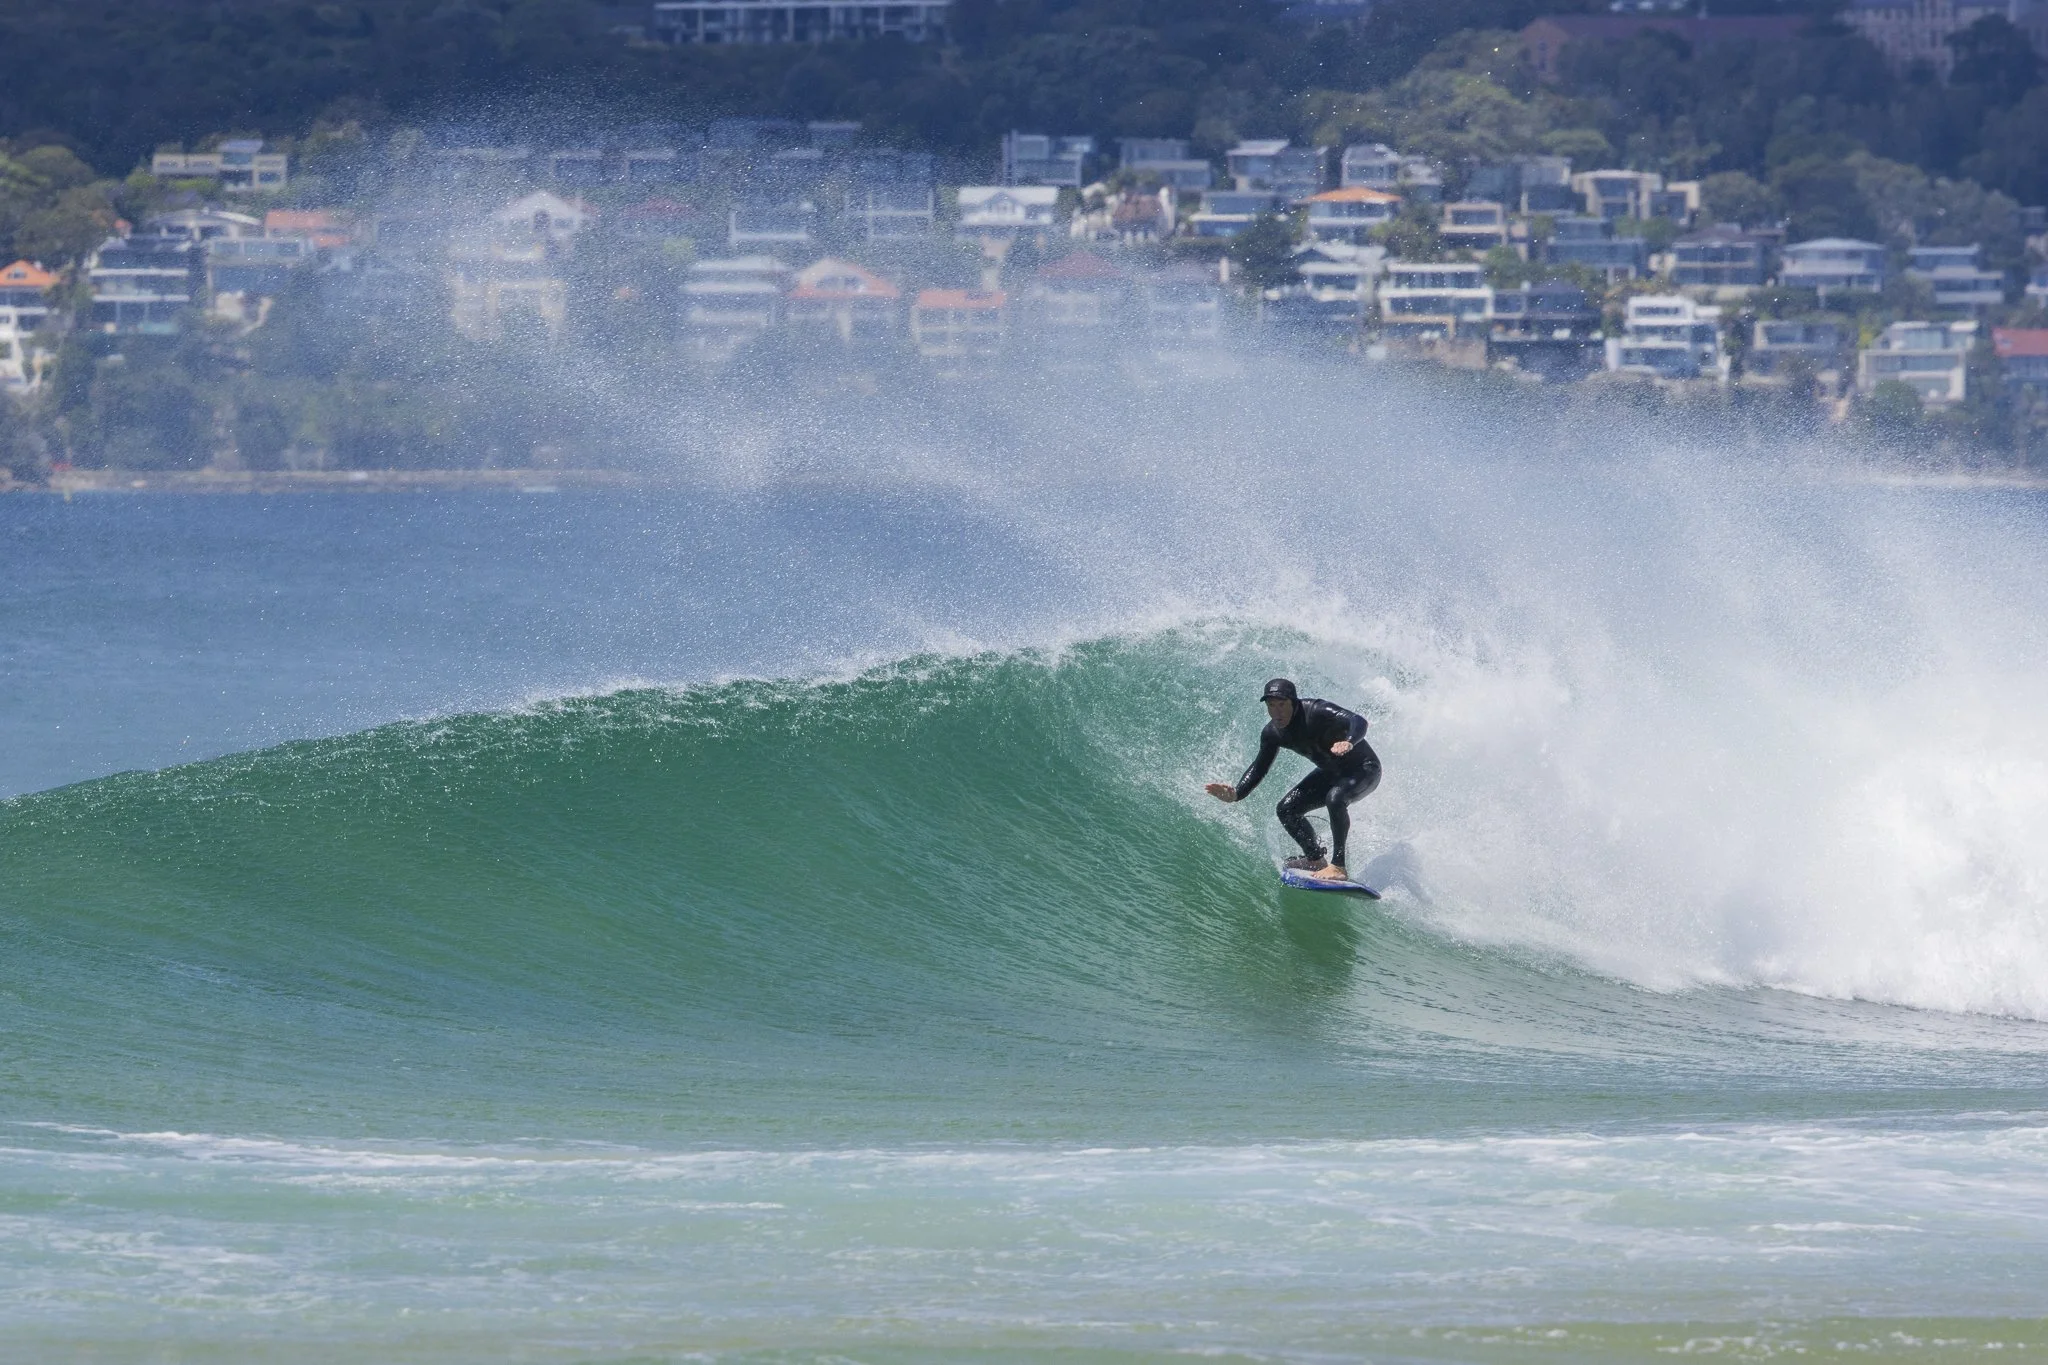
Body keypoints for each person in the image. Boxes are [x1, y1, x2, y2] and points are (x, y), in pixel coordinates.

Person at [1205, 677, 1380, 883]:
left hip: (1364, 769)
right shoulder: (1272, 733)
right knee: (1287, 809)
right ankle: (1316, 859)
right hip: (1330, 772)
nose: (1276, 712)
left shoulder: (1316, 710)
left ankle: (1338, 866)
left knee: (1335, 798)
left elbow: (1358, 720)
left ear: (1294, 702)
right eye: (1271, 706)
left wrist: (1349, 741)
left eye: (1282, 705)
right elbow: (1260, 767)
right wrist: (1236, 794)